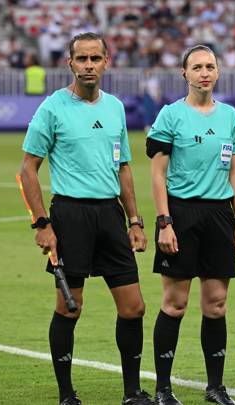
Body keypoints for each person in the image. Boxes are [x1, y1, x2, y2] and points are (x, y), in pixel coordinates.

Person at [19, 32, 153, 405]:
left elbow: (124, 167)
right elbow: (28, 170)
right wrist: (41, 224)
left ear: (107, 62)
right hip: (70, 216)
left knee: (134, 307)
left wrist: (135, 221)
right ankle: (66, 394)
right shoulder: (52, 108)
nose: (89, 65)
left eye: (96, 58)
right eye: (82, 59)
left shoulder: (115, 108)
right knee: (69, 307)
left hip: (110, 216)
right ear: (70, 64)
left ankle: (132, 392)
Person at [146, 45, 235, 405]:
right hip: (182, 214)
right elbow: (158, 175)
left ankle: (215, 387)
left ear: (218, 72)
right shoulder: (170, 116)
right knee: (175, 303)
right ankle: (162, 389)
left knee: (217, 304)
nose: (204, 72)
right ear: (184, 73)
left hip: (220, 215)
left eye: (210, 66)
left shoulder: (229, 116)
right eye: (197, 67)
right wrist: (164, 222)